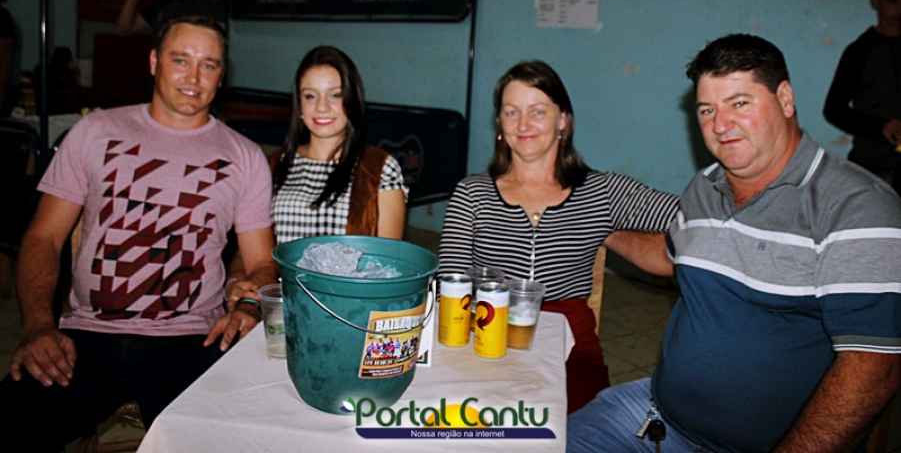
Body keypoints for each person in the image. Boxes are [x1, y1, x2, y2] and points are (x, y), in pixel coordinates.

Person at [568, 34, 901, 453]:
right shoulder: (706, 186)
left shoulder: (857, 206)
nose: (720, 125)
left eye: (739, 103)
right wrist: (605, 230)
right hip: (658, 416)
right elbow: (670, 256)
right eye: (707, 110)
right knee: (532, 441)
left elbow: (873, 368)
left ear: (785, 99)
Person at [0, 15, 278, 451]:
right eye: (180, 60)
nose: (194, 77)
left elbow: (262, 263)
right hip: (87, 336)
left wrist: (247, 305)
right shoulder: (94, 132)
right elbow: (43, 239)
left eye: (208, 65)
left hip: (192, 338)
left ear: (221, 75)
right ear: (153, 62)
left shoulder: (245, 157)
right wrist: (37, 326)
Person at [439, 60, 679, 413]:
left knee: (580, 427)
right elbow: (451, 284)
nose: (523, 124)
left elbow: (688, 218)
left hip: (571, 345)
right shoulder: (472, 194)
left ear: (563, 120)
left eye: (538, 111)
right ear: (500, 124)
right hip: (486, 336)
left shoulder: (600, 191)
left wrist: (619, 237)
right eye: (511, 112)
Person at [271, 46, 407, 242]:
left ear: (352, 101)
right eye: (310, 96)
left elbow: (389, 254)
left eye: (335, 95)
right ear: (299, 106)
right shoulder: (273, 165)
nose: (322, 107)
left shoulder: (379, 168)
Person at [824, 0, 901, 194]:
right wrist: (882, 127)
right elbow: (834, 110)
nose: (899, 8)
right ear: (875, 1)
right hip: (873, 165)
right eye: (892, 0)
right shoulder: (860, 51)